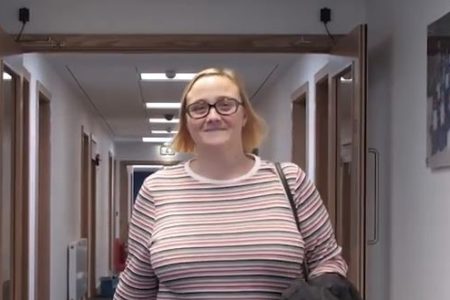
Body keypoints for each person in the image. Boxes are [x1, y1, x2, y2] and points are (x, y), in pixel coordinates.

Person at [113, 68, 348, 299]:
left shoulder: (290, 181)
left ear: (244, 115)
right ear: (187, 121)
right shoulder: (156, 189)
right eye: (199, 108)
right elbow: (136, 287)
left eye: (225, 104)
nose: (213, 116)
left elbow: (327, 260)